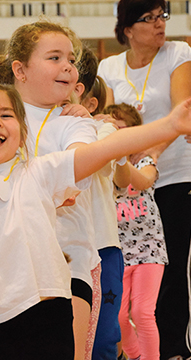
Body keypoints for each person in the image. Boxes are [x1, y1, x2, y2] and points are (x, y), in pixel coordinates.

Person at [0, 81, 191, 360]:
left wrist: (170, 125)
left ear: (23, 131)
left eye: (6, 114)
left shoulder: (42, 172)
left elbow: (108, 148)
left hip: (51, 316)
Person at [0, 2, 101, 356]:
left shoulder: (76, 122)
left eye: (70, 59)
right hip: (2, 274)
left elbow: (75, 172)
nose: (68, 67)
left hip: (64, 267)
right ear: (20, 69)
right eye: (54, 57)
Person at [98, 1, 191, 358]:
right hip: (128, 186)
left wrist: (144, 155)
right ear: (127, 28)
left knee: (173, 268)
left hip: (175, 175)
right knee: (127, 276)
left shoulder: (177, 53)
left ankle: (174, 348)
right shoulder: (109, 67)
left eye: (161, 16)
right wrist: (128, 161)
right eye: (148, 18)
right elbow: (105, 118)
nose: (158, 24)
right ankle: (135, 350)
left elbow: (181, 113)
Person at [73, 54, 130, 360]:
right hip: (69, 250)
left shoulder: (105, 131)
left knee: (103, 336)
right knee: (75, 336)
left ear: (90, 103)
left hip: (103, 248)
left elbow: (100, 159)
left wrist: (87, 122)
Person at [103, 102, 167, 360]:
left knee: (142, 312)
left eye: (123, 131)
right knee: (117, 314)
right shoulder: (105, 167)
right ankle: (136, 355)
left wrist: (115, 152)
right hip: (120, 251)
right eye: (113, 130)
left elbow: (143, 181)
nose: (118, 135)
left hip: (149, 248)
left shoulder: (145, 162)